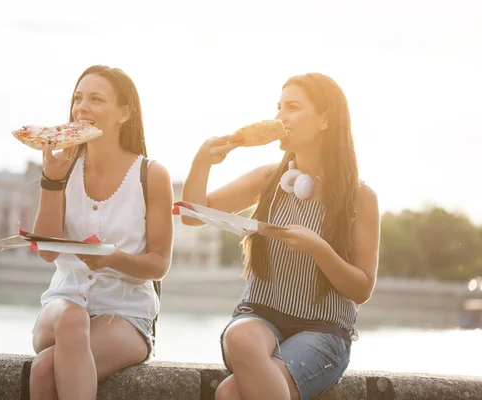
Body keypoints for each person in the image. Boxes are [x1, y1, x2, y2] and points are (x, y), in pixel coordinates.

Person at [182, 73, 380, 400]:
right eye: (279, 108)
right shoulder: (268, 180)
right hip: (258, 317)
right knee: (242, 338)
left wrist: (320, 250)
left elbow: (361, 289)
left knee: (230, 393)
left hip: (323, 331)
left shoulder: (360, 198)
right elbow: (192, 216)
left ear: (325, 119)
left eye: (292, 107)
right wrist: (202, 162)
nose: (279, 117)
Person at [29, 65, 174, 400]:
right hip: (62, 306)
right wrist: (51, 180)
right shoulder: (63, 167)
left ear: (124, 113)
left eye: (96, 99)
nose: (81, 107)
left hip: (125, 315)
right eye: (78, 98)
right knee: (72, 318)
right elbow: (48, 251)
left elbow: (158, 264)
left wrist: (113, 258)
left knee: (43, 370)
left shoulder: (151, 175)